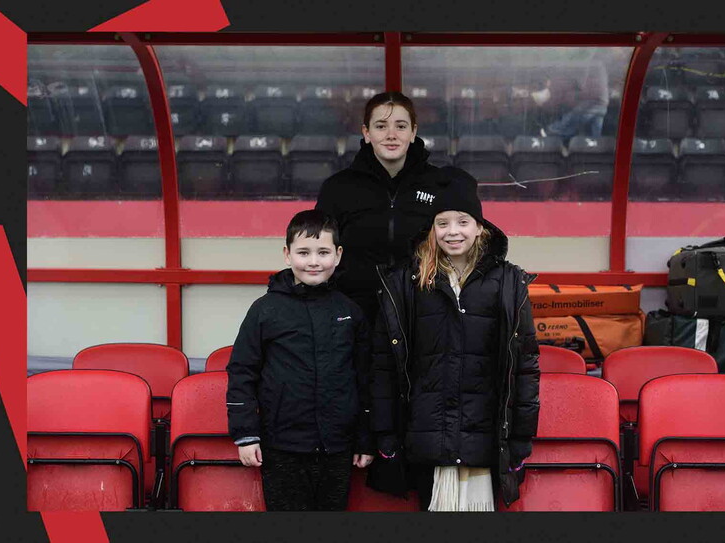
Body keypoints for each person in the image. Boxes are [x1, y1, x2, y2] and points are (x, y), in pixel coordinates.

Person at [369, 167, 541, 511]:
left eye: (463, 221)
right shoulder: (408, 281)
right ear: (431, 230)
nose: (452, 232)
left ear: (480, 228)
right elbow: (384, 365)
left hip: (486, 434)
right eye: (442, 223)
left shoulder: (508, 282)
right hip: (426, 432)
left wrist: (521, 438)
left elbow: (525, 366)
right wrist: (386, 434)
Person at [226, 209, 375, 511]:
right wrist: (245, 435)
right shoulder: (264, 310)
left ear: (338, 254)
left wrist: (365, 439)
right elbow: (242, 372)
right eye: (303, 252)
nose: (314, 261)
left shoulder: (350, 312)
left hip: (337, 446)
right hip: (282, 446)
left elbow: (364, 379)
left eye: (323, 252)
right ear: (287, 254)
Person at [316, 91, 450, 325]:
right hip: (354, 318)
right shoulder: (337, 188)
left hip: (423, 318)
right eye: (380, 126)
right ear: (366, 133)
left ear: (413, 132)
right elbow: (318, 250)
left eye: (400, 126)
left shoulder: (440, 185)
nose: (391, 135)